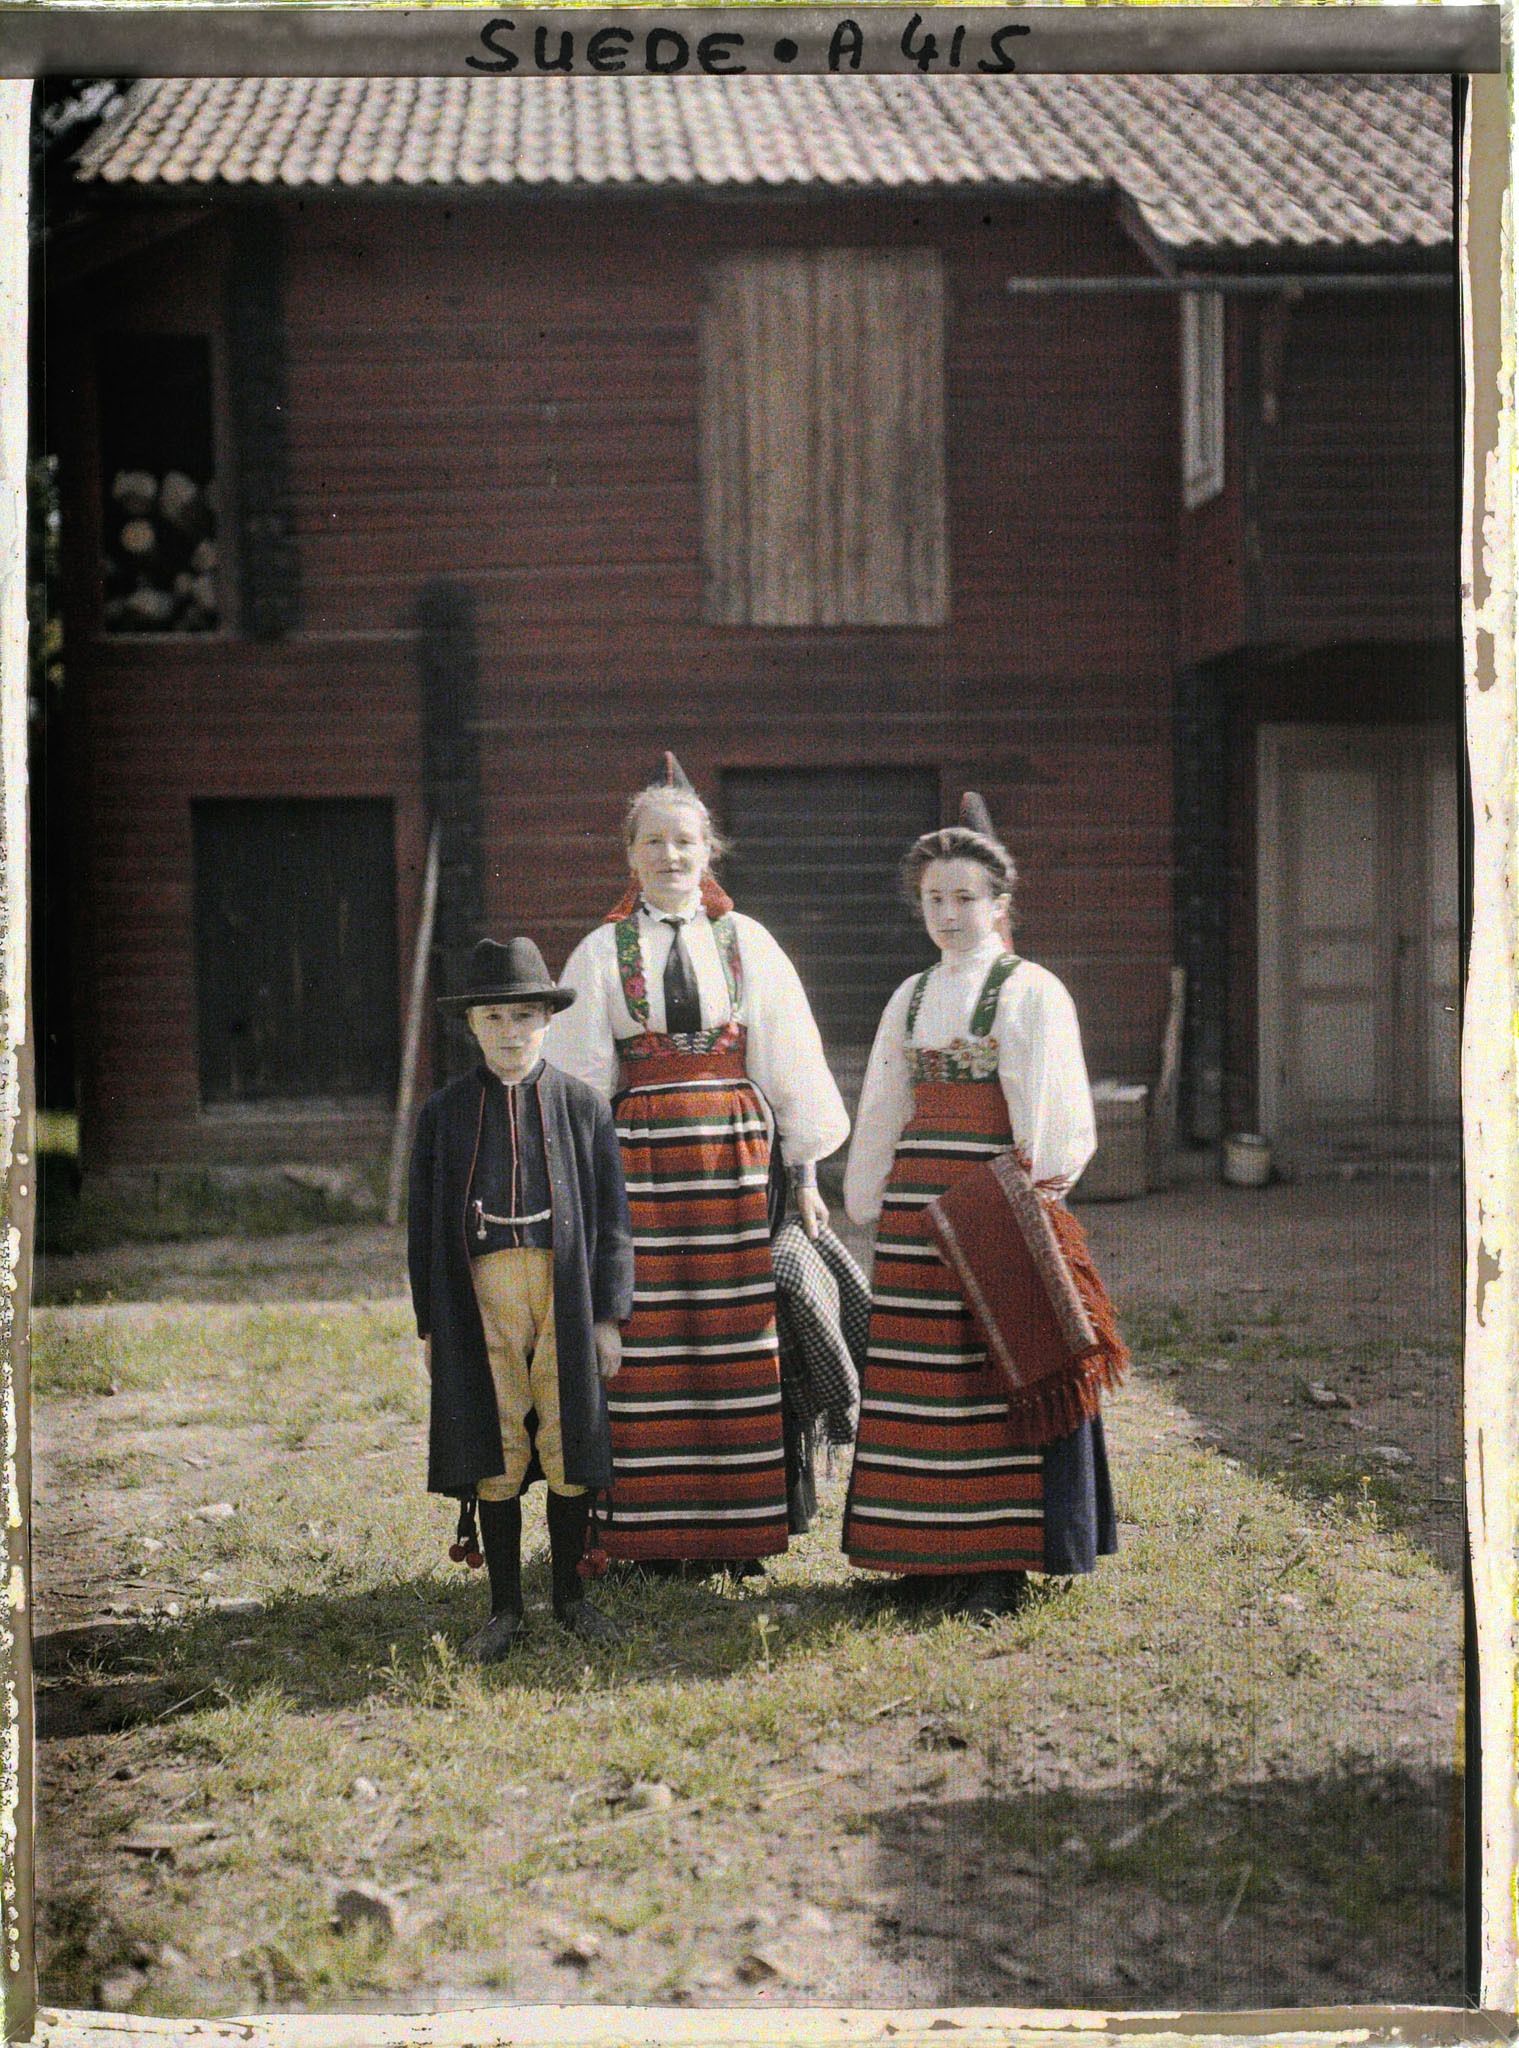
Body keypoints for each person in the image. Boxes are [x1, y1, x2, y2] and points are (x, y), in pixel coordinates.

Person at [546, 755, 850, 1567]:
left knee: (736, 1332)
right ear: (630, 855)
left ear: (709, 850)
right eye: (653, 842)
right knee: (648, 1335)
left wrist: (806, 1175)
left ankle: (740, 1531)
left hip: (736, 1165)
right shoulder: (600, 952)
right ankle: (652, 1534)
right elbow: (579, 1079)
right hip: (640, 1167)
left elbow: (790, 1059)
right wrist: (582, 1182)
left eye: (684, 841)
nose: (670, 857)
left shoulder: (748, 942)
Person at [840, 800, 1118, 1617]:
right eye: (934, 899)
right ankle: (920, 1555)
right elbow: (884, 1100)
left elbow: (1053, 1107)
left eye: (965, 898)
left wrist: (1035, 1197)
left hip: (995, 1201)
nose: (949, 914)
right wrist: (869, 1191)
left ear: (999, 904)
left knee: (999, 1365)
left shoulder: (1030, 990)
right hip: (915, 1213)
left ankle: (997, 1561)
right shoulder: (911, 995)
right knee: (920, 1376)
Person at [407, 936, 635, 1661]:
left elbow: (612, 1221)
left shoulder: (583, 1106)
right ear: (471, 1025)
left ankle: (570, 1596)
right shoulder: (444, 1113)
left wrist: (607, 1316)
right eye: (494, 1018)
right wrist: (432, 1324)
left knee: (568, 1431)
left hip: (564, 1290)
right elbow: (422, 1225)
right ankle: (504, 1607)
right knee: (496, 1436)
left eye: (525, 1016)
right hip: (482, 1293)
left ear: (548, 1019)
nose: (511, 1033)